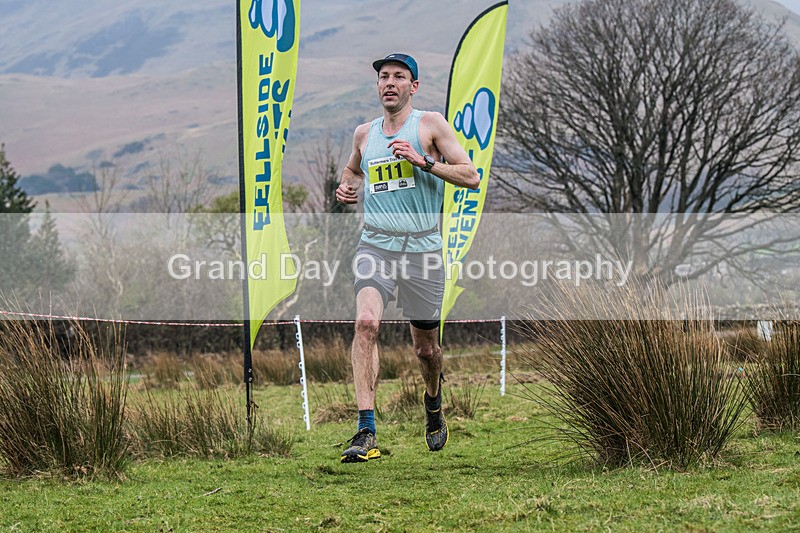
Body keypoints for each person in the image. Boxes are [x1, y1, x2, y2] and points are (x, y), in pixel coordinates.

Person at [336, 53, 479, 463]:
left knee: (426, 351)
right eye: (384, 76)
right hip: (376, 246)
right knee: (366, 324)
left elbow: (470, 176)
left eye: (399, 77)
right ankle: (366, 430)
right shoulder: (364, 134)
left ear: (413, 86)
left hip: (422, 250)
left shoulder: (430, 125)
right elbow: (353, 171)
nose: (390, 82)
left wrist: (424, 162)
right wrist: (346, 186)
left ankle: (433, 403)